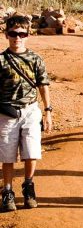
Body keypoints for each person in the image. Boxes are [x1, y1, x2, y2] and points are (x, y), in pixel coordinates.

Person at [0, 15, 52, 212]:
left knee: (31, 152)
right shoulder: (1, 60)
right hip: (7, 113)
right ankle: (7, 191)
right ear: (6, 35)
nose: (17, 38)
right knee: (7, 155)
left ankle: (28, 186)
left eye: (22, 34)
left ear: (28, 35)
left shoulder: (35, 59)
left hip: (30, 110)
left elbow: (43, 85)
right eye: (13, 34)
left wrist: (48, 111)